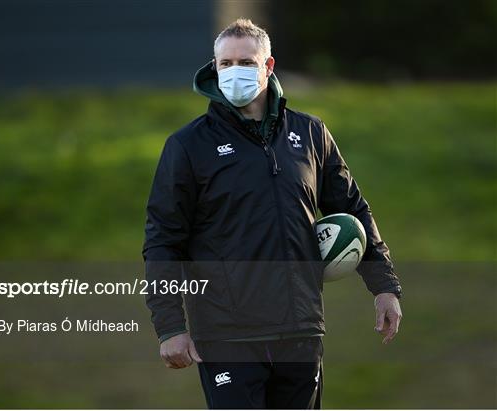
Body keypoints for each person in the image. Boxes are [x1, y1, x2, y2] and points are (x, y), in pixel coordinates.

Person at [142, 18, 403, 409]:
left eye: (245, 62)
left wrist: (384, 286)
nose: (234, 72)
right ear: (214, 69)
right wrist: (170, 327)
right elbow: (163, 240)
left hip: (300, 329)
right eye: (225, 64)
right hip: (226, 335)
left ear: (268, 66)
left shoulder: (311, 133)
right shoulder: (187, 146)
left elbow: (352, 208)